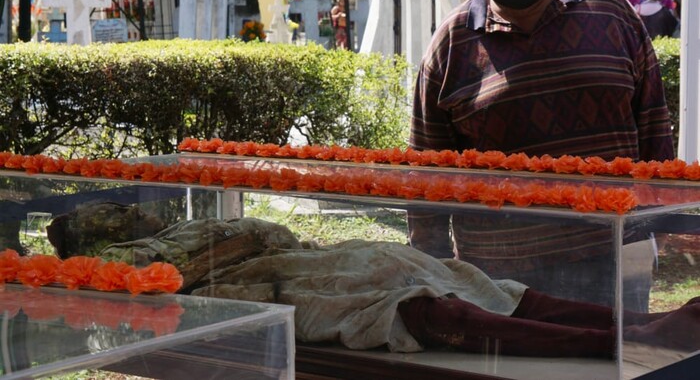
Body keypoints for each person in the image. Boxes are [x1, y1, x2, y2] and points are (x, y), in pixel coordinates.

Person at [408, 0, 675, 311]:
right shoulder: (453, 41)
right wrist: (435, 271)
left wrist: (659, 222)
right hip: (499, 277)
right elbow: (425, 170)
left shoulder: (609, 9)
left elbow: (653, 118)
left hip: (612, 256)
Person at [51, 207, 698, 357]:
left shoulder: (191, 226)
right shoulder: (132, 261)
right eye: (119, 218)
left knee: (453, 274)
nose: (136, 213)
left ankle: (639, 328)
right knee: (410, 297)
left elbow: (270, 235)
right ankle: (617, 339)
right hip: (266, 286)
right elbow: (176, 281)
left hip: (301, 258)